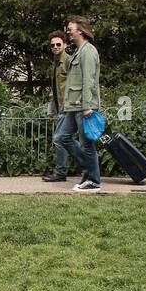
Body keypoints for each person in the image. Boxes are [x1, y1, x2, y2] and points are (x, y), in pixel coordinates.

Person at [59, 16, 103, 193]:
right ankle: (90, 166)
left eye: (71, 28)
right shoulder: (78, 51)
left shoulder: (88, 51)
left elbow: (89, 80)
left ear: (81, 30)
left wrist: (87, 106)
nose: (68, 31)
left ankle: (94, 180)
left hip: (83, 106)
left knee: (87, 144)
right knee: (61, 137)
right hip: (74, 106)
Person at [43, 29, 82, 184]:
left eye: (58, 44)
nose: (55, 47)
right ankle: (87, 162)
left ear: (65, 45)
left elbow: (76, 83)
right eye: (53, 45)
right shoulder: (56, 62)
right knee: (62, 139)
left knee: (60, 139)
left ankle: (64, 170)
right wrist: (52, 107)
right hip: (61, 108)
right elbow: (56, 88)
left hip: (69, 107)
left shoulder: (68, 61)